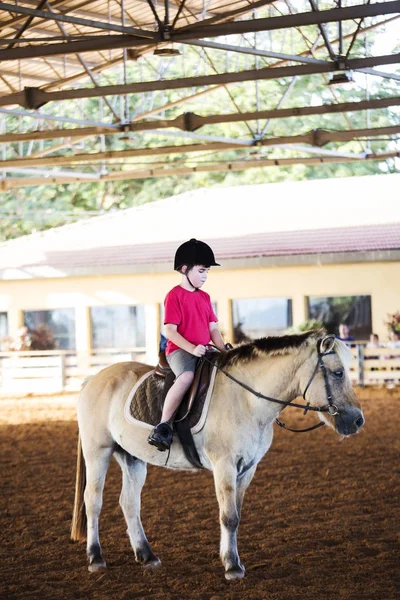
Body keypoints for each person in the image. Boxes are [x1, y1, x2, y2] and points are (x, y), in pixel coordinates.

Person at [148, 238, 226, 451]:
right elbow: (170, 331)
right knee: (186, 377)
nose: (205, 276)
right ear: (184, 269)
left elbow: (213, 330)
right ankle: (163, 426)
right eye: (201, 271)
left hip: (204, 350)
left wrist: (224, 350)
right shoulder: (174, 296)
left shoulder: (205, 297)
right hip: (180, 351)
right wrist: (192, 348)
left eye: (207, 272)